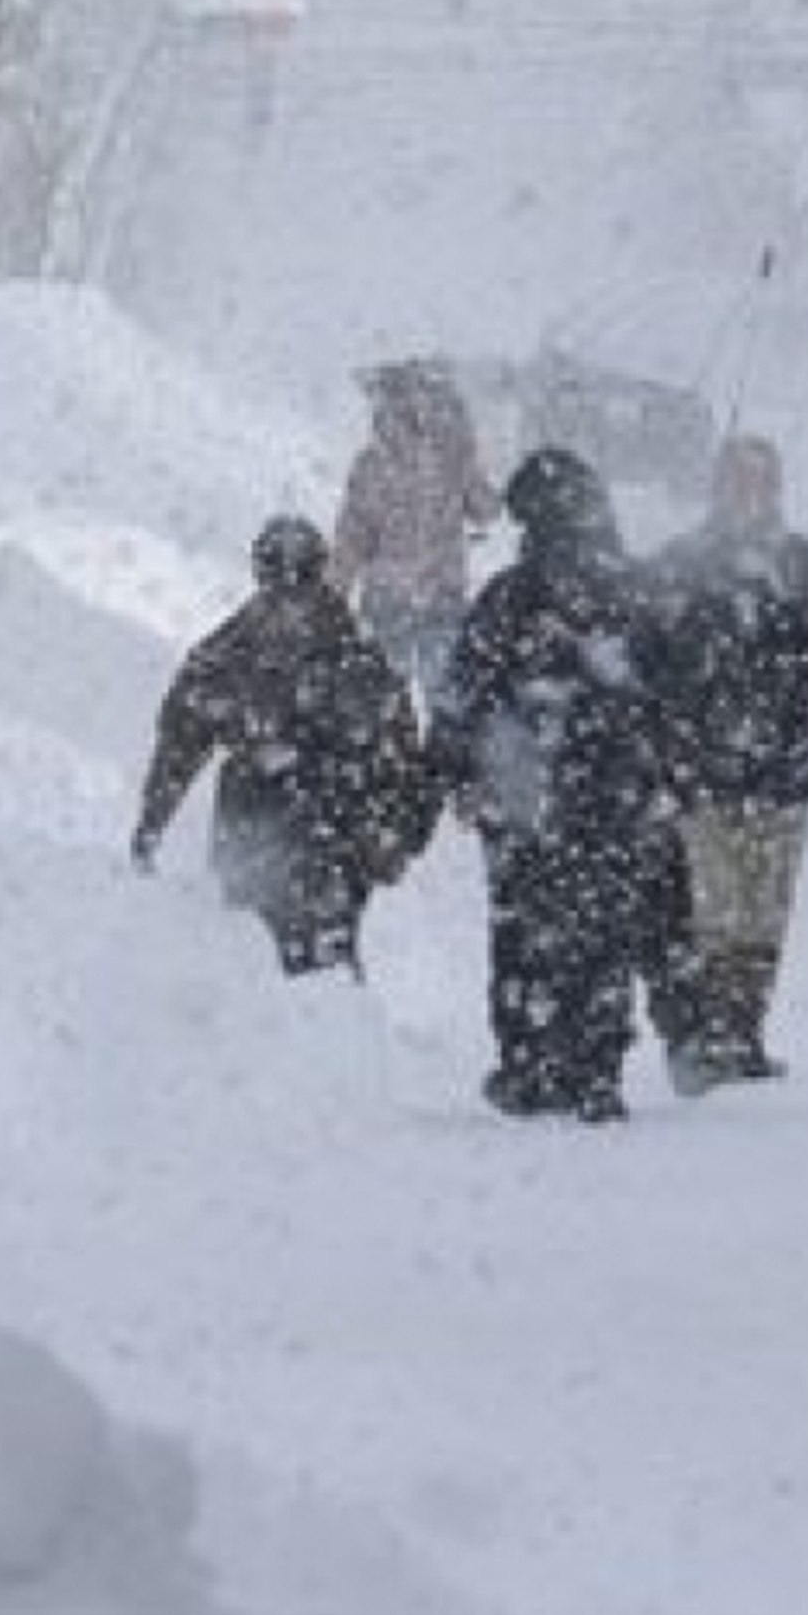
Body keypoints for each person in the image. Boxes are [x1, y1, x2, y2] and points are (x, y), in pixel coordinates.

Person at [431, 448, 682, 1121]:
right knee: (605, 930)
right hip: (613, 793)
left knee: (525, 931)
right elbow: (671, 692)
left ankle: (532, 1062)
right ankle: (595, 1066)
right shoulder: (633, 591)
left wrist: (458, 772)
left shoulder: (511, 596)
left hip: (524, 796)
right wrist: (665, 772)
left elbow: (463, 694)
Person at [646, 433, 808, 1091]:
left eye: (762, 481)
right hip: (701, 772)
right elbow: (643, 659)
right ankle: (711, 1033)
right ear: (716, 487)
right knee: (715, 909)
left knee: (764, 914)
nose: (750, 494)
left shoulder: (803, 565)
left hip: (784, 770)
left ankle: (744, 1030)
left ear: (778, 490)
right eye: (738, 480)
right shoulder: (679, 565)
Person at [131, 515, 438, 977]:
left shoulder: (356, 655)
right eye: (279, 585)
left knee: (321, 957)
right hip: (256, 825)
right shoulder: (231, 651)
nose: (291, 602)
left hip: (335, 829)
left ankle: (326, 1004)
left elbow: (402, 753)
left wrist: (398, 836)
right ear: (262, 580)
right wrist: (152, 823)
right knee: (255, 955)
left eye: (302, 582)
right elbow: (182, 736)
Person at [330, 362, 498, 713]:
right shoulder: (452, 456)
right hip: (442, 594)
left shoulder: (371, 464)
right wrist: (469, 454)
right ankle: (440, 746)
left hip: (386, 598)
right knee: (447, 699)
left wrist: (334, 595)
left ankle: (391, 744)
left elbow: (351, 539)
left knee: (381, 701)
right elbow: (486, 510)